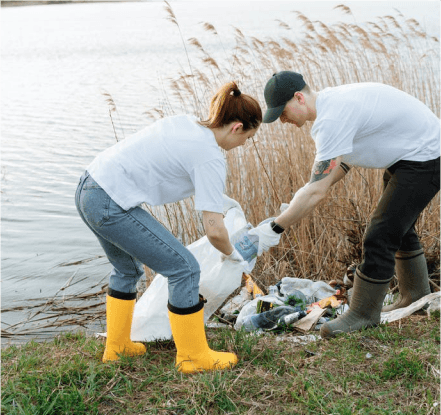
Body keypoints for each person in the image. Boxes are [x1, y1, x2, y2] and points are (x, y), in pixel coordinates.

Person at [75, 82, 261, 371]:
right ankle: (193, 357)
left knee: (127, 270)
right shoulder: (210, 155)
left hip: (89, 187)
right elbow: (214, 229)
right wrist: (233, 256)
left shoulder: (187, 124)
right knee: (184, 269)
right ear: (236, 127)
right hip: (111, 201)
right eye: (248, 137)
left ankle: (117, 347)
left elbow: (177, 170)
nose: (244, 144)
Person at [249, 71, 440, 338]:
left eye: (283, 111)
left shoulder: (331, 118)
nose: (282, 119)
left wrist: (275, 229)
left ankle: (363, 314)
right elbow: (335, 169)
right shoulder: (333, 104)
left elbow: (317, 191)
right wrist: (302, 197)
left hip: (426, 156)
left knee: (380, 235)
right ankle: (416, 296)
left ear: (299, 98)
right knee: (399, 228)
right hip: (411, 154)